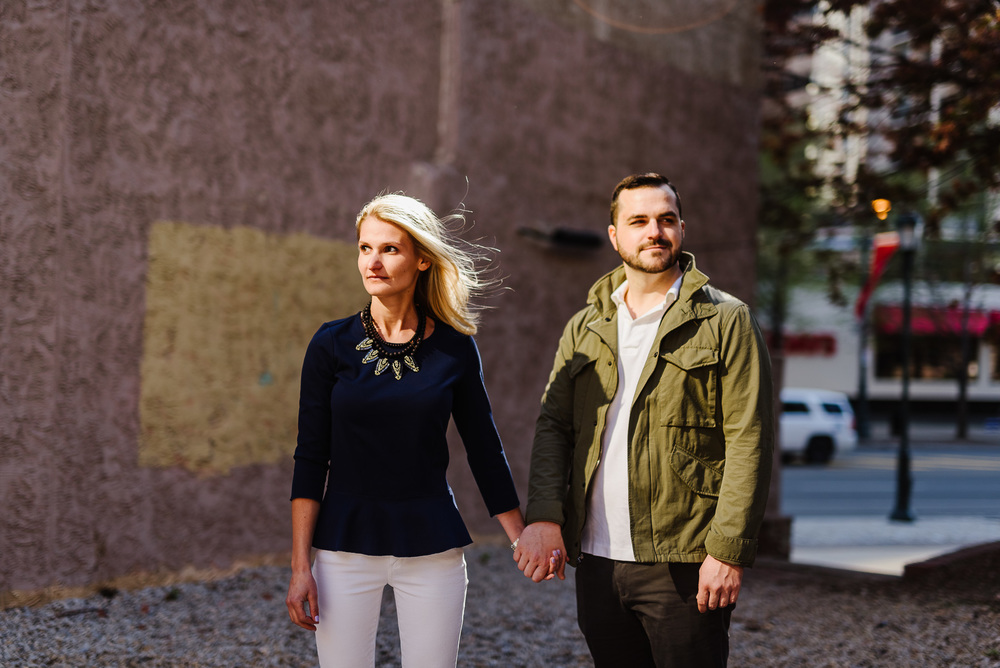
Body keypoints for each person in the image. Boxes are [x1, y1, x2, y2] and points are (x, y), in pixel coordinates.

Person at [515, 173, 774, 667]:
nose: (654, 231)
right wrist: (546, 516)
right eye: (638, 221)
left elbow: (749, 439)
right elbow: (555, 427)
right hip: (597, 559)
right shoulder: (585, 325)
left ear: (681, 229)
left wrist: (728, 552)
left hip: (685, 558)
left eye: (666, 219)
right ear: (614, 235)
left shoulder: (726, 320)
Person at [285, 193, 527, 668]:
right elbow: (311, 457)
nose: (372, 262)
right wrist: (299, 567)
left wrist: (522, 538)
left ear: (421, 260)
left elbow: (483, 448)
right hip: (343, 547)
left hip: (431, 544)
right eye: (364, 248)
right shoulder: (330, 344)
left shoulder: (455, 348)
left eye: (389, 249)